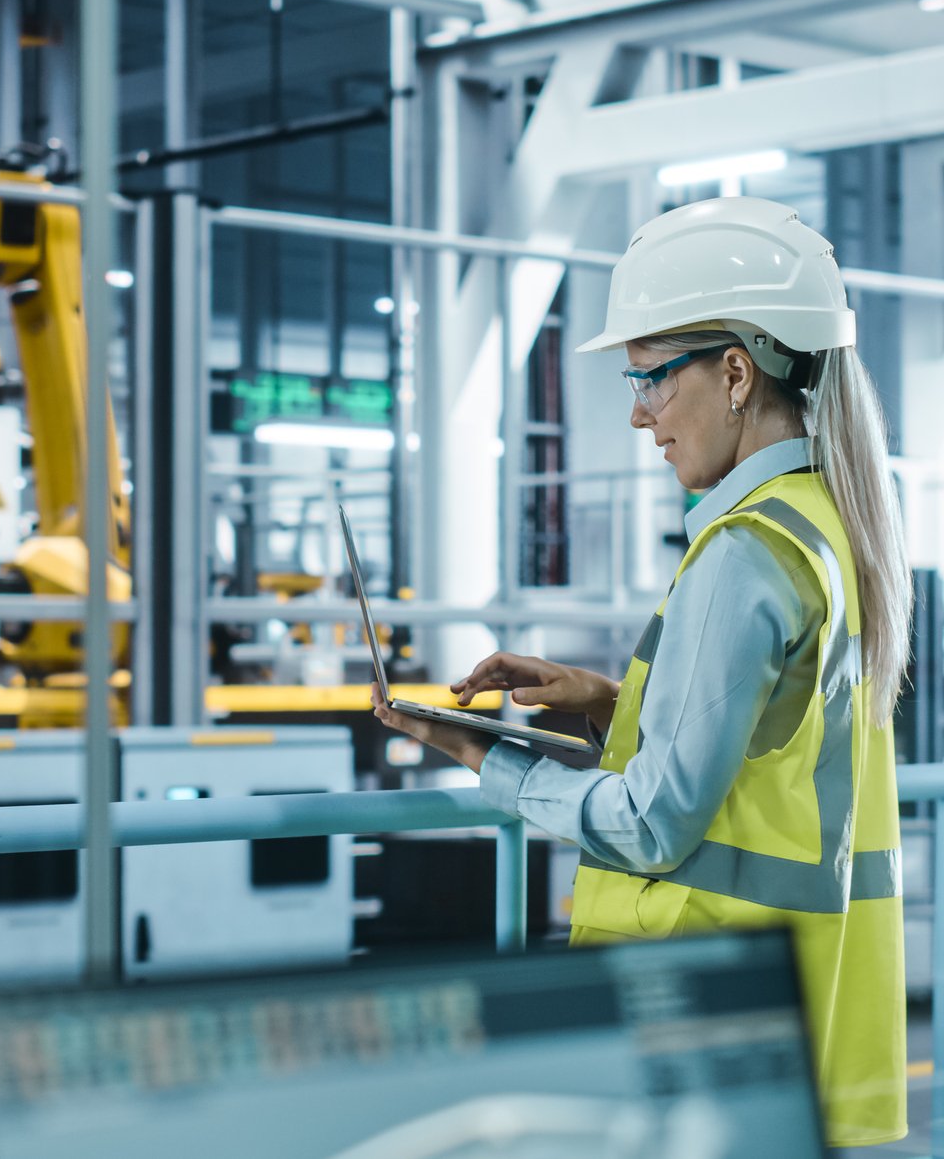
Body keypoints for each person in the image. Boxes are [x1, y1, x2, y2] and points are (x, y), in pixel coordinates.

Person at [373, 196, 911, 1147]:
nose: (637, 414)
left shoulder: (744, 552)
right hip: (804, 996)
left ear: (736, 373)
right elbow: (770, 744)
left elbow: (655, 823)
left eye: (652, 379)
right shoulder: (828, 524)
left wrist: (479, 755)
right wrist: (607, 705)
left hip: (702, 1006)